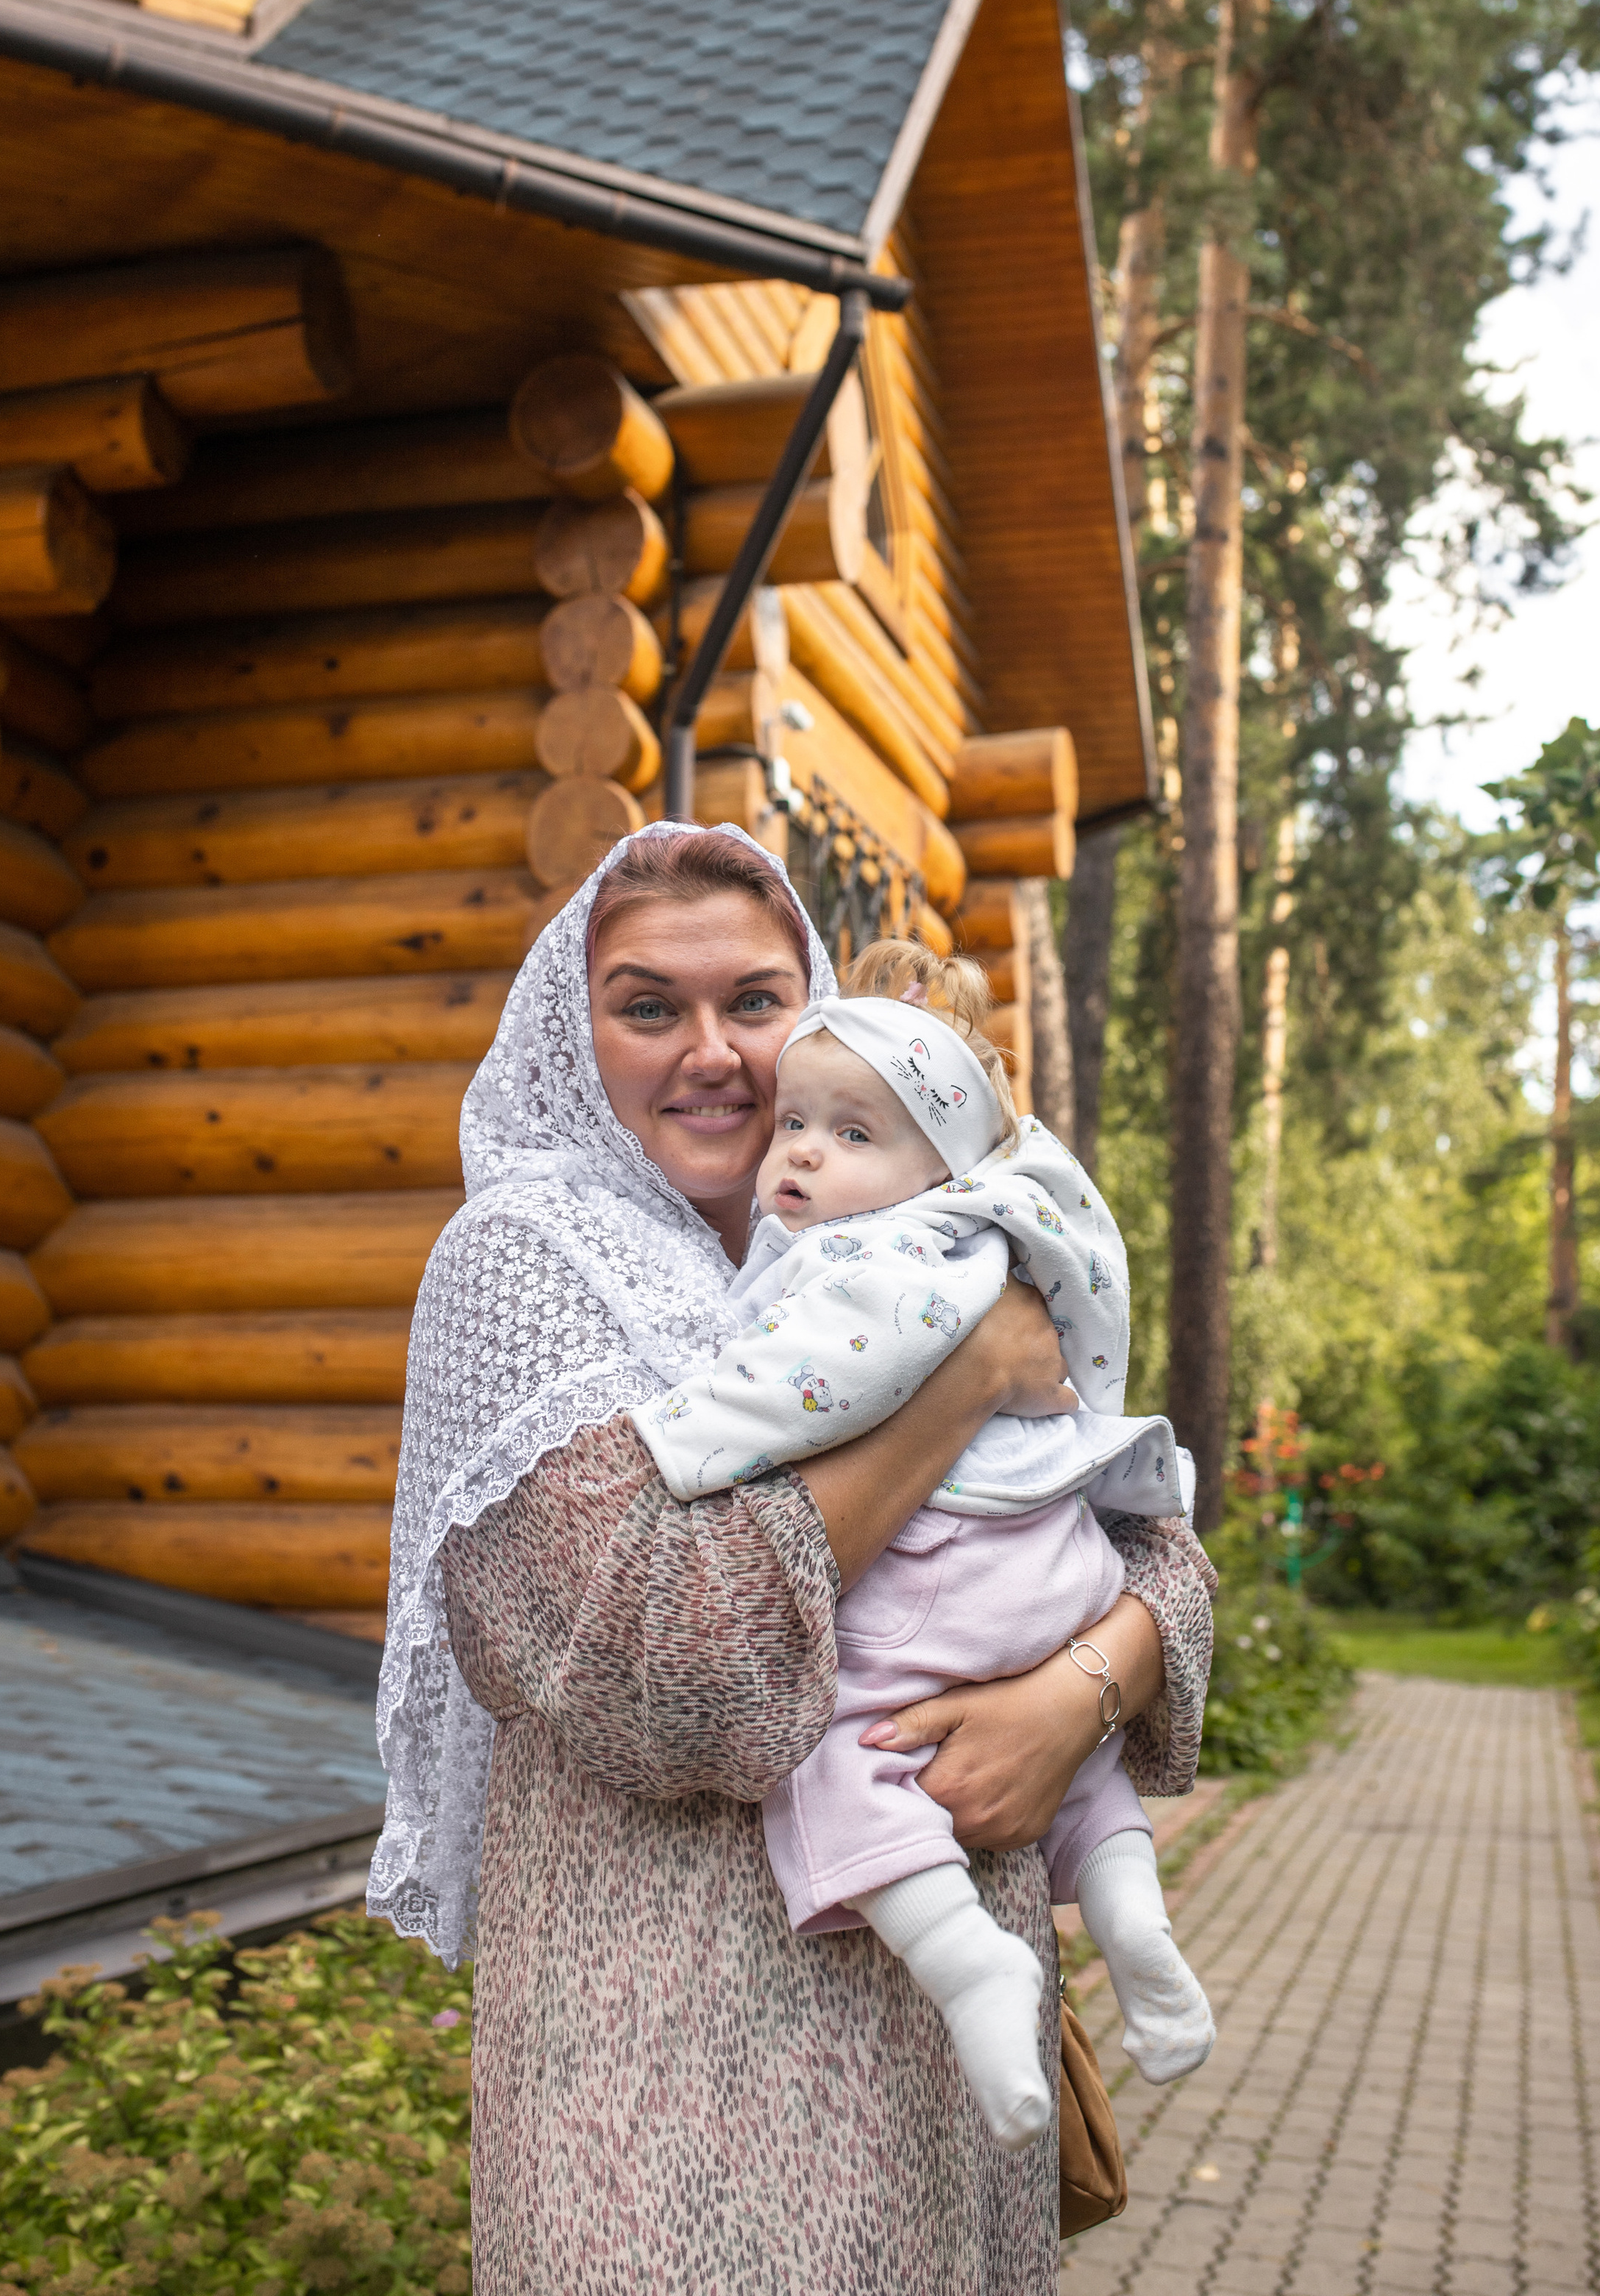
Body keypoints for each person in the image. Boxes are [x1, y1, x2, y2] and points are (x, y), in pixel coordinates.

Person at [371, 822, 1217, 2296]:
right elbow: (667, 1665)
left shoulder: (923, 1227)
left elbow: (1145, 1539)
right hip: (669, 2075)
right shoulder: (522, 1265)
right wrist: (967, 1377)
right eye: (648, 1006)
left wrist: (1076, 1693)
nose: (712, 1053)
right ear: (572, 1038)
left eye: (755, 1003)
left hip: (952, 2051)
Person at [631, 952, 1214, 2145]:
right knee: (1091, 1786)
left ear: (942, 1169)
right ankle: (1136, 1923)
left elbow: (805, 1387)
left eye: (852, 1135)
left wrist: (675, 1440)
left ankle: (969, 1964)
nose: (802, 1155)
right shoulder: (995, 1250)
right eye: (796, 1124)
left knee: (837, 1749)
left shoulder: (882, 1259)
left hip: (944, 1573)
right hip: (1058, 1573)